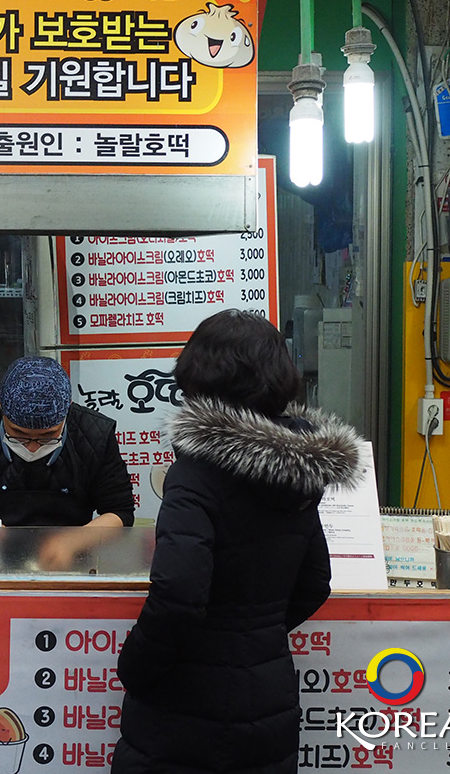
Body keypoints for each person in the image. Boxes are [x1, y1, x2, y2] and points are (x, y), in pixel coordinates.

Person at [111, 310, 363, 774]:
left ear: (198, 375)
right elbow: (315, 581)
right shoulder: (300, 471)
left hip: (185, 704)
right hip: (268, 693)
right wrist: (254, 635)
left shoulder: (198, 472)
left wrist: (135, 666)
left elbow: (180, 594)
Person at [0, 356, 134, 529]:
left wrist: (75, 541)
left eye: (47, 436)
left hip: (73, 562)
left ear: (68, 409)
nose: (33, 447)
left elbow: (120, 512)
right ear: (0, 405)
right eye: (19, 434)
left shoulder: (93, 435)